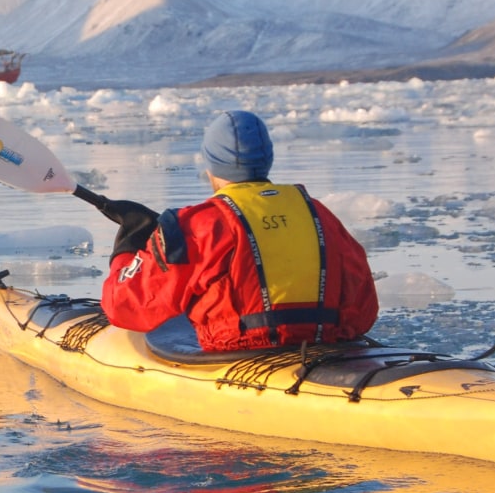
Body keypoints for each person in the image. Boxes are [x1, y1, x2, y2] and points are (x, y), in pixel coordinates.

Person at [97, 110, 378, 352]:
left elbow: (124, 307)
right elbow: (364, 310)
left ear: (210, 165)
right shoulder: (317, 212)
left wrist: (127, 250)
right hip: (323, 347)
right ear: (267, 158)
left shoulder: (196, 224)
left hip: (237, 354)